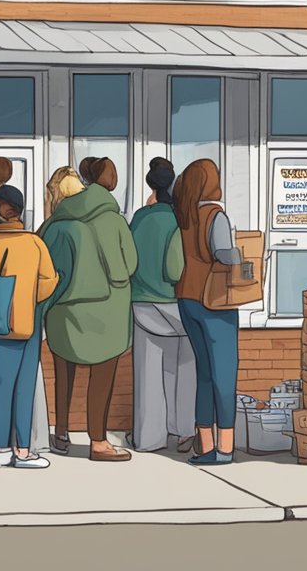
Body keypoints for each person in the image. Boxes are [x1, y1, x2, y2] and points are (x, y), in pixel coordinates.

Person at [43, 162, 138, 462]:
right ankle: (98, 442)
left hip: (62, 311)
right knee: (102, 378)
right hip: (106, 310)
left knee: (63, 373)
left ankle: (61, 431)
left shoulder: (54, 223)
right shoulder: (112, 220)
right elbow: (129, 266)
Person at [0, 185, 59, 469]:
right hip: (26, 324)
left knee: (0, 385)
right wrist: (27, 298)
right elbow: (48, 282)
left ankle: (1, 451)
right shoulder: (34, 243)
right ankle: (24, 451)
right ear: (19, 211)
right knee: (24, 386)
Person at [174, 158, 241, 466]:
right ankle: (226, 448)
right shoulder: (215, 216)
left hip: (186, 297)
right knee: (224, 375)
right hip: (215, 302)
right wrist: (242, 253)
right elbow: (225, 256)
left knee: (204, 374)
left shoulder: (183, 216)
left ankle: (205, 444)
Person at [128, 157, 195, 453]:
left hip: (141, 302)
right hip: (174, 304)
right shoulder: (177, 220)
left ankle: (148, 437)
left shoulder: (140, 218)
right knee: (184, 367)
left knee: (148, 372)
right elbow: (174, 269)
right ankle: (184, 430)